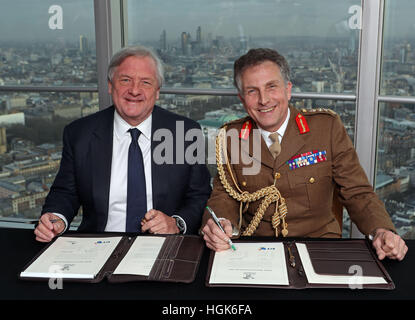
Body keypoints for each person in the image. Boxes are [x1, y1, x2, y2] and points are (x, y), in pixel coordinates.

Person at [201, 48, 407, 261]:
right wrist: (221, 224)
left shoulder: (326, 128)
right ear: (242, 99)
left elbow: (357, 192)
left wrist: (381, 230)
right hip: (255, 250)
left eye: (271, 87)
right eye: (252, 91)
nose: (263, 100)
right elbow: (224, 194)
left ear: (288, 90)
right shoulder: (231, 136)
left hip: (318, 247)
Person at [35, 46, 211, 242]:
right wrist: (56, 219)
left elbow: (200, 196)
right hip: (98, 244)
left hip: (164, 244)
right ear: (111, 86)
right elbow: (66, 192)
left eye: (145, 82)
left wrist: (176, 223)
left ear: (157, 91)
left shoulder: (183, 133)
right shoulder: (80, 134)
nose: (134, 90)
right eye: (125, 80)